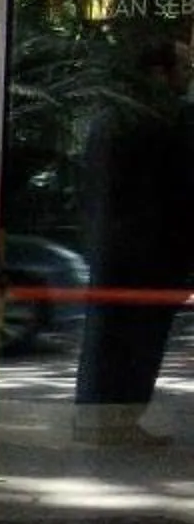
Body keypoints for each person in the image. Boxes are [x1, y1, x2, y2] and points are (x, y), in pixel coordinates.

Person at [72, 35, 194, 445]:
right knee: (139, 342)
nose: (189, 77)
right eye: (185, 69)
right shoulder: (166, 118)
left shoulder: (108, 116)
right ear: (160, 72)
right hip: (152, 256)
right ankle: (119, 422)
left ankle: (99, 420)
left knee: (107, 335)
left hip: (112, 249)